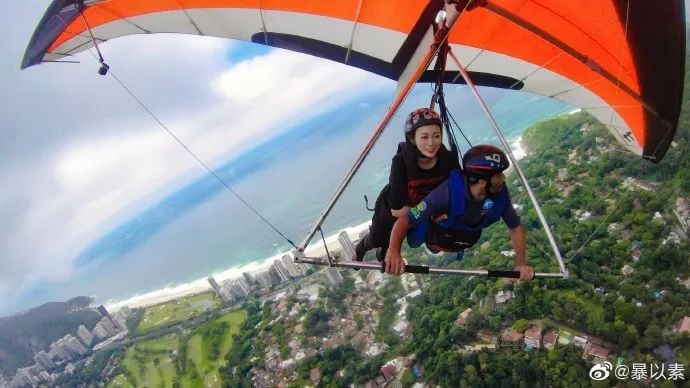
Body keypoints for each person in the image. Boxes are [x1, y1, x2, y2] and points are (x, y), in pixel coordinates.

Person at [384, 145, 535, 280]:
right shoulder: (446, 193)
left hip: (465, 238)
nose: (503, 178)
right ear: (482, 182)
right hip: (438, 236)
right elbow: (405, 220)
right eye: (498, 175)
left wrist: (521, 263)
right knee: (415, 240)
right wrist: (394, 251)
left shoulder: (499, 194)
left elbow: (515, 226)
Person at [355, 108, 459, 262]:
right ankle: (360, 250)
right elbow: (397, 211)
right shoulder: (401, 162)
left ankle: (385, 249)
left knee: (420, 237)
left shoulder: (447, 160)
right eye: (424, 137)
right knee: (377, 240)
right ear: (412, 138)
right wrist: (431, 211)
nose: (431, 143)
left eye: (436, 136)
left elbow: (458, 190)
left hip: (420, 212)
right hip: (390, 213)